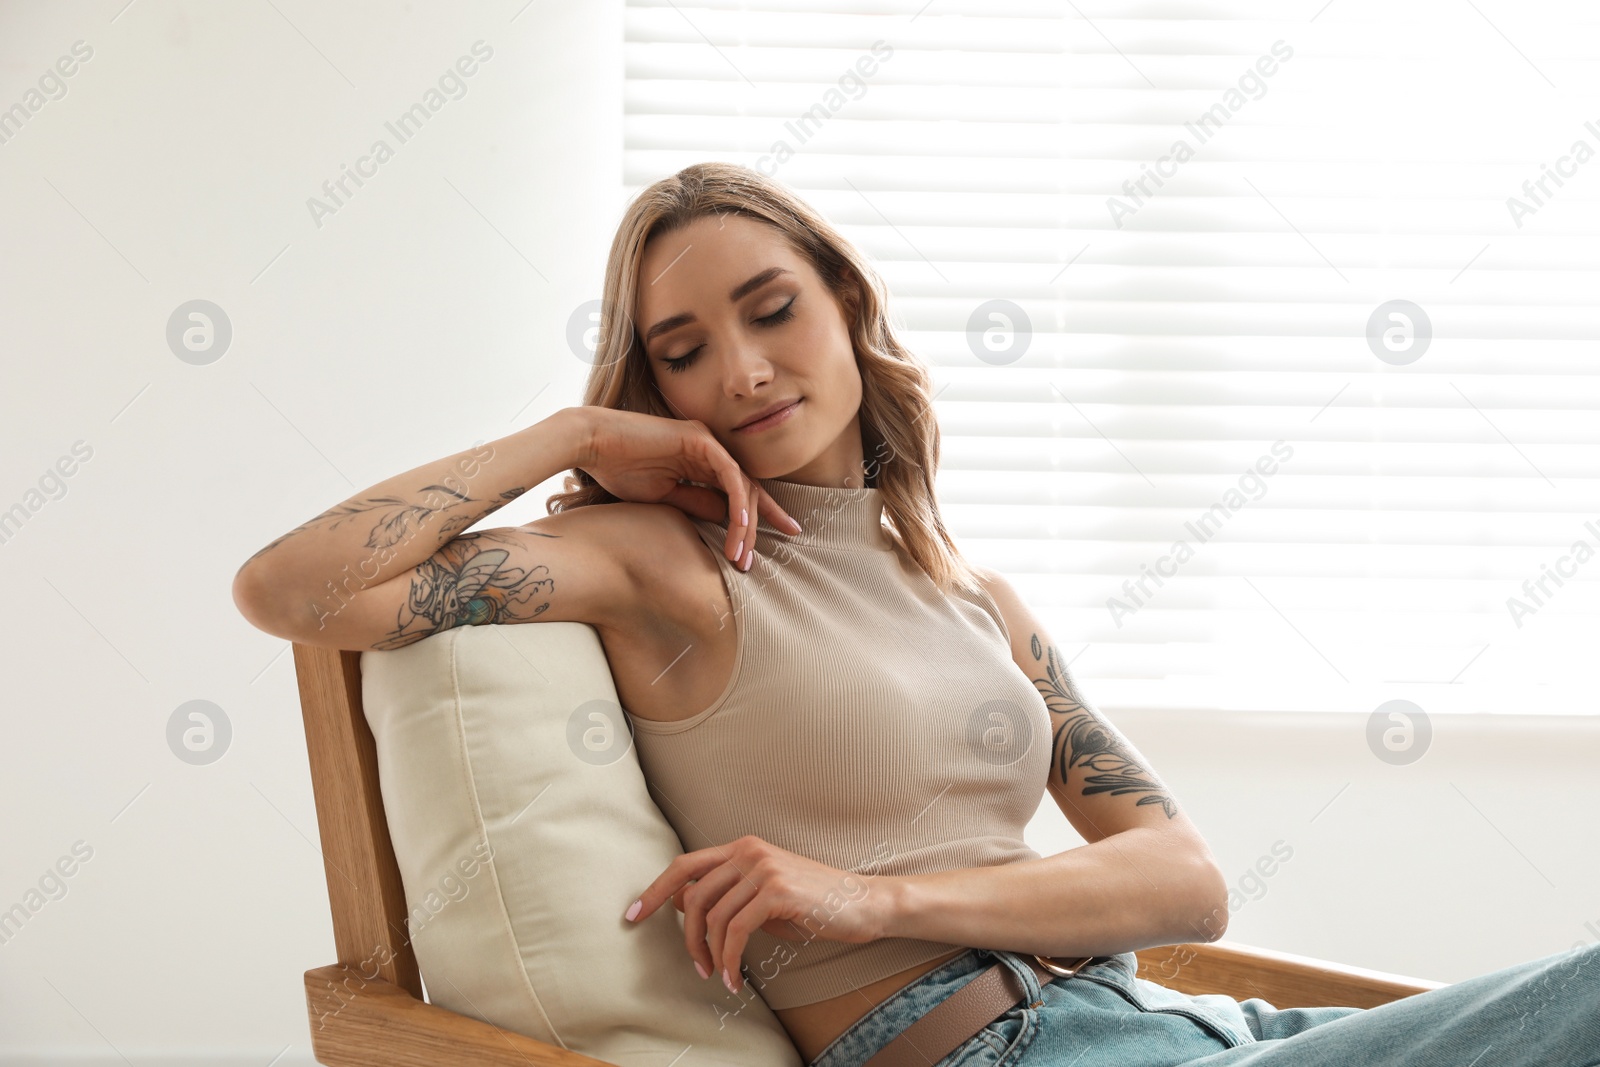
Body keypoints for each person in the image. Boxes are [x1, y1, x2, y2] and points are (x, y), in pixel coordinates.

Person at [232, 162, 1600, 1067]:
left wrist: (868, 895)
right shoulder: (666, 567)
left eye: (772, 310)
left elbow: (1185, 877)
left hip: (1169, 1022)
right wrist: (572, 430)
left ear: (847, 304)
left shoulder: (973, 596)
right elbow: (292, 591)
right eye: (681, 350)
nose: (744, 371)